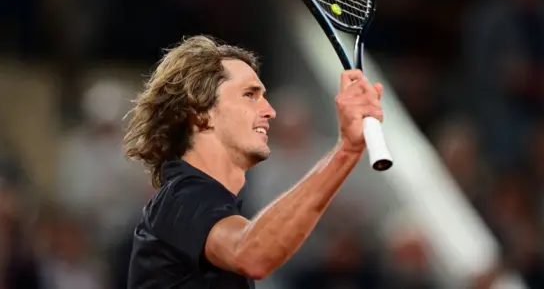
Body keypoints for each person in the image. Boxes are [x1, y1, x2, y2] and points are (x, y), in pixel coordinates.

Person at [123, 35, 384, 288]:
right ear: (201, 113)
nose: (270, 111)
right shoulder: (184, 195)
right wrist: (346, 151)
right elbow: (251, 254)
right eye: (250, 95)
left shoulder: (200, 200)